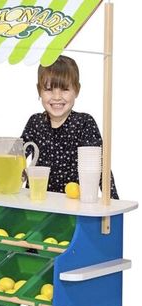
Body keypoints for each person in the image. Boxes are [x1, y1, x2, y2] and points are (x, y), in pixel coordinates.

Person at [21, 55, 119, 199]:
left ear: (77, 90)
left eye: (65, 89)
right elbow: (17, 156)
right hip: (38, 202)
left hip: (73, 205)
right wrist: (17, 175)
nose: (57, 97)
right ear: (39, 90)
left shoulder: (84, 123)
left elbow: (100, 166)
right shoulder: (35, 122)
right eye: (49, 89)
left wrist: (112, 200)